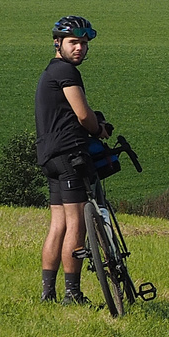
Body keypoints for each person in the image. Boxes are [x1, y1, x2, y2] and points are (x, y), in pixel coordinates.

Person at [35, 15, 108, 304]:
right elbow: (83, 114)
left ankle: (47, 293)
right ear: (58, 43)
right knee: (76, 222)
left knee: (58, 225)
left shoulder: (49, 72)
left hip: (50, 156)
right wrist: (98, 129)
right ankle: (72, 293)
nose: (79, 48)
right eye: (73, 42)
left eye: (83, 43)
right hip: (70, 155)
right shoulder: (66, 71)